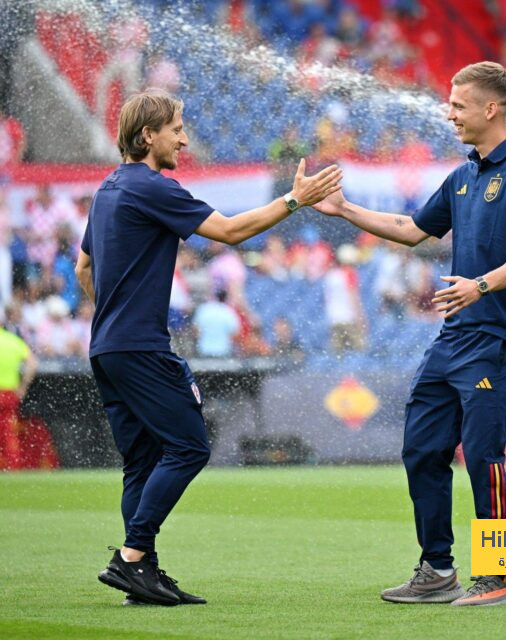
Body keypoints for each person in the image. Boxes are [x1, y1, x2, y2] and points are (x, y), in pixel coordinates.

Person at [75, 89, 341, 606]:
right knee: (190, 445)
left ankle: (143, 577)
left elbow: (85, 268)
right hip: (139, 346)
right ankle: (130, 558)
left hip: (106, 347)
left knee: (143, 462)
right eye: (176, 128)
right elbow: (230, 230)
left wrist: (111, 317)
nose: (185, 137)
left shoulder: (106, 191)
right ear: (147, 135)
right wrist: (295, 200)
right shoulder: (152, 187)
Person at [313, 62, 506, 606]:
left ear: (491, 108)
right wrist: (344, 208)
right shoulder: (463, 176)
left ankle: (504, 577)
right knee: (421, 449)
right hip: (453, 340)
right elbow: (413, 230)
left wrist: (481, 286)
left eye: (458, 105)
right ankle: (437, 570)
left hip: (500, 343)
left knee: (485, 455)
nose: (449, 113)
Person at [0, 311, 38, 470]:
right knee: (9, 433)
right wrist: (23, 387)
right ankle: (13, 467)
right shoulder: (14, 341)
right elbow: (33, 364)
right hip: (9, 393)